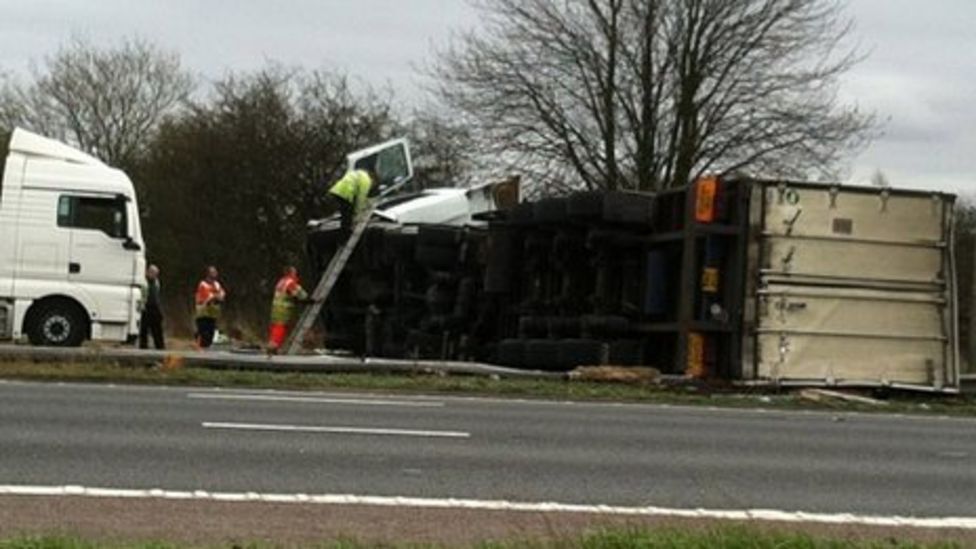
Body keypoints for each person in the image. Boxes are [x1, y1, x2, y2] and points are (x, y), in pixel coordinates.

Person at [267, 266, 310, 354]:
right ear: (291, 273)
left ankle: (272, 346)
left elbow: (288, 295)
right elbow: (302, 296)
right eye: (295, 272)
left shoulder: (281, 281)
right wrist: (312, 300)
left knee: (275, 328)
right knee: (280, 329)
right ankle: (273, 348)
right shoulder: (290, 283)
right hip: (283, 311)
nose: (296, 274)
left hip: (275, 309)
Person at [328, 167, 378, 235]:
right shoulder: (367, 181)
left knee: (345, 214)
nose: (371, 187)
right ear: (373, 180)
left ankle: (343, 234)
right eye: (374, 185)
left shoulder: (359, 173)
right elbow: (360, 199)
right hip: (345, 193)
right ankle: (345, 236)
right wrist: (357, 214)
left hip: (336, 190)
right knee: (347, 217)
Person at [194, 265, 226, 349]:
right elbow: (209, 297)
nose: (215, 274)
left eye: (215, 272)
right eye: (212, 272)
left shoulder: (217, 284)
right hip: (203, 312)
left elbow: (222, 294)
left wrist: (218, 296)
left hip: (213, 312)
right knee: (204, 332)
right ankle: (200, 347)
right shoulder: (203, 284)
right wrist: (216, 296)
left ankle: (207, 347)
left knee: (211, 331)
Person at [138, 264, 165, 350]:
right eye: (152, 273)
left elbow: (157, 296)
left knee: (157, 329)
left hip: (155, 307)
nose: (154, 275)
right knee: (144, 329)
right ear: (147, 272)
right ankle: (143, 347)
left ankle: (160, 347)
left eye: (156, 273)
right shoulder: (143, 282)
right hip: (145, 307)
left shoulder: (157, 282)